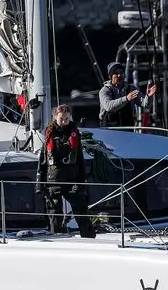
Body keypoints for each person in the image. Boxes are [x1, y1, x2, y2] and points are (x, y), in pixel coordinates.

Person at [35, 104, 96, 237]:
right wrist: (39, 184)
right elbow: (42, 160)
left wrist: (82, 181)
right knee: (54, 213)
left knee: (81, 209)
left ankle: (89, 237)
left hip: (71, 179)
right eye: (61, 118)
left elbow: (79, 158)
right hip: (53, 180)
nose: (64, 121)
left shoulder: (74, 133)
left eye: (67, 119)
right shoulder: (49, 133)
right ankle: (56, 238)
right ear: (55, 117)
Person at [98, 61, 158, 127]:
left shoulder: (131, 88)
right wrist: (126, 98)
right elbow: (108, 107)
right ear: (110, 76)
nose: (119, 75)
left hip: (127, 129)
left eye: (121, 72)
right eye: (116, 73)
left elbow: (146, 104)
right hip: (109, 130)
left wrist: (148, 96)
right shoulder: (104, 91)